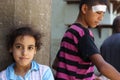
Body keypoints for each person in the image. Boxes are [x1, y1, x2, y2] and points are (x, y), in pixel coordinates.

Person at [52, 0, 120, 80]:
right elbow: (102, 66)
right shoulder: (83, 34)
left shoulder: (70, 31)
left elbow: (56, 64)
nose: (101, 18)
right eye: (98, 13)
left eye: (103, 14)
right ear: (84, 9)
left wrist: (91, 76)